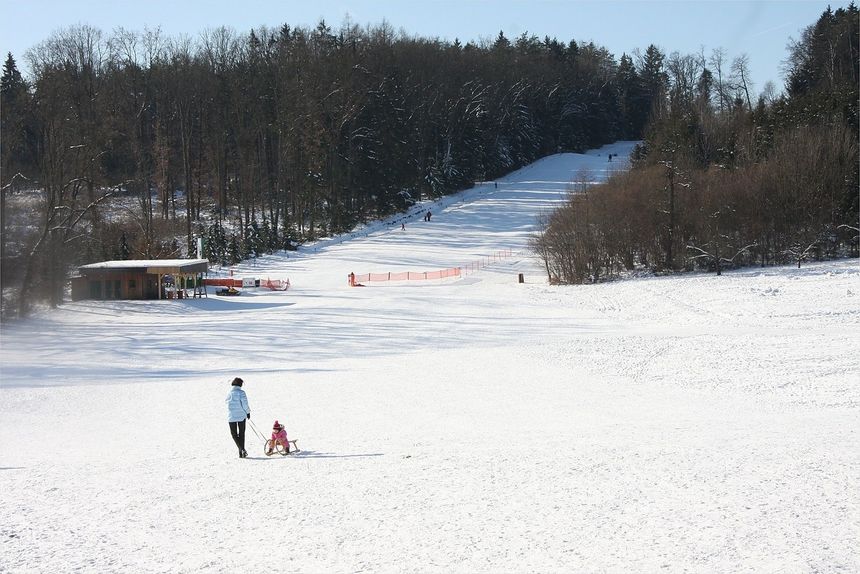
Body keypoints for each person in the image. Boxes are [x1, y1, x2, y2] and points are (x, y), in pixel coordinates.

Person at [226, 377, 250, 458]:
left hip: (231, 416)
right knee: (242, 433)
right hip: (241, 416)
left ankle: (241, 451)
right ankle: (242, 450)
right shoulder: (241, 393)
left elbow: (226, 403)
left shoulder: (229, 393)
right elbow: (245, 404)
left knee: (234, 434)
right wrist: (248, 412)